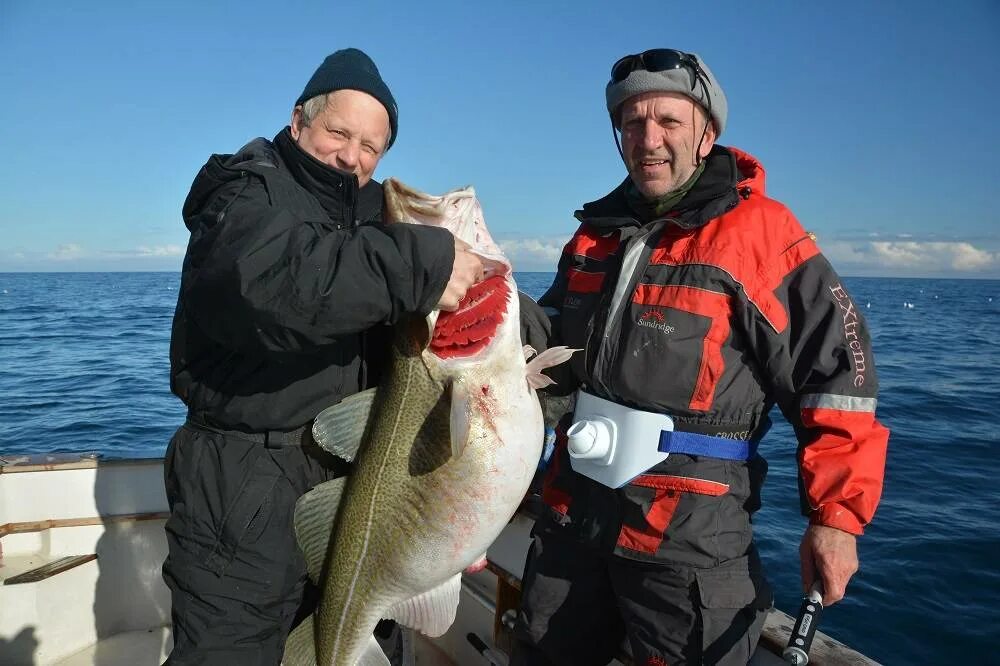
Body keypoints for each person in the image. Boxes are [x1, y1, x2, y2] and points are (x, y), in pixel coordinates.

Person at [510, 49, 890, 665]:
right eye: (632, 124)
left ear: (707, 133)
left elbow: (836, 377)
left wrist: (837, 520)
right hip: (570, 522)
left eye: (668, 122)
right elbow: (549, 352)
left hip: (686, 541)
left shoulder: (761, 234)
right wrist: (478, 294)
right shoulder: (593, 235)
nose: (648, 140)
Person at [162, 48, 484, 664]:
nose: (351, 155)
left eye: (371, 146)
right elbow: (274, 286)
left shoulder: (378, 218)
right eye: (338, 132)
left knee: (357, 642)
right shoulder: (244, 196)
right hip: (243, 489)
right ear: (298, 120)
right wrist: (419, 265)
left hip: (359, 484)